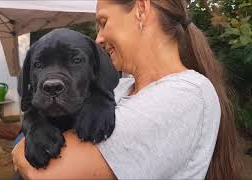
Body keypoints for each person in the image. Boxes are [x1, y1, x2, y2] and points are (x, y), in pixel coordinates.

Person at [12, 0, 241, 179]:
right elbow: (25, 140)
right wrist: (32, 124)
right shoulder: (120, 87)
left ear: (141, 9)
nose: (99, 38)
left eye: (103, 22)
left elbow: (43, 172)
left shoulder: (186, 94)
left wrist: (20, 148)